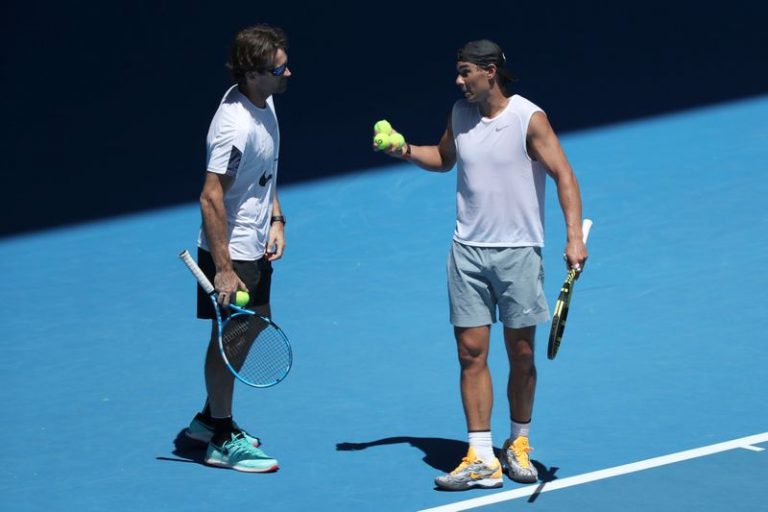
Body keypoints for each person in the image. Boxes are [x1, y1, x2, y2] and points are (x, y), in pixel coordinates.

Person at [375, 39, 588, 490]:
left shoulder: (529, 119)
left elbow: (564, 174)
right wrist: (405, 150)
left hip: (518, 253)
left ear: (490, 71)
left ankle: (519, 442)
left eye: (465, 71)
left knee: (522, 354)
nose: (458, 80)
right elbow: (445, 158)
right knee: (471, 354)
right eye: (458, 72)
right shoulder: (459, 113)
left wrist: (572, 237)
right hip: (467, 252)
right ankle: (481, 456)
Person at [183, 24, 291, 473]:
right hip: (233, 249)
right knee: (231, 337)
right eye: (279, 68)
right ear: (252, 73)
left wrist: (277, 218)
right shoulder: (234, 126)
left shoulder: (263, 102)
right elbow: (211, 195)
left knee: (255, 324)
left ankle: (208, 420)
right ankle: (222, 438)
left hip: (253, 240)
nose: (288, 73)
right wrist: (224, 268)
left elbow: (263, 174)